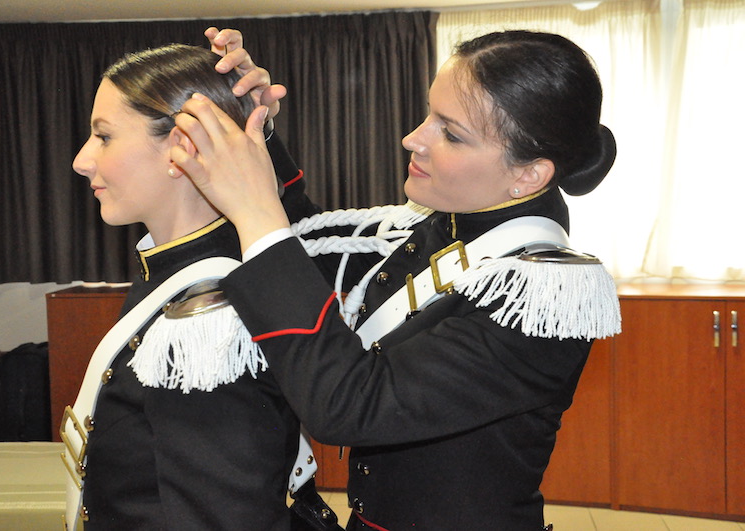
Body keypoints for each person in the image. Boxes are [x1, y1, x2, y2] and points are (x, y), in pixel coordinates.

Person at [175, 29, 622, 530]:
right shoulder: (446, 222)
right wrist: (253, 128)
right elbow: (308, 249)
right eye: (430, 114)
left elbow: (349, 406)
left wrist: (254, 210)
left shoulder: (540, 299)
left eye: (451, 134)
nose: (414, 139)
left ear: (529, 175)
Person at [65, 42, 339, 530]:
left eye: (103, 136)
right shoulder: (180, 270)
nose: (82, 161)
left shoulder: (210, 319)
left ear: (182, 148)